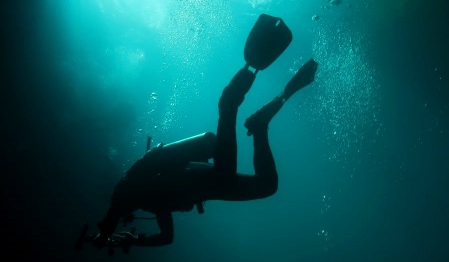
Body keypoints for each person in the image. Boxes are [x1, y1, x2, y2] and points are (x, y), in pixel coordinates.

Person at [92, 57, 319, 248]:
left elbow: (113, 213)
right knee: (267, 186)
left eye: (120, 215)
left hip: (206, 179)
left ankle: (230, 102)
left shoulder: (127, 188)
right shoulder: (150, 202)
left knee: (232, 169)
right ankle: (259, 126)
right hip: (208, 186)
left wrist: (103, 236)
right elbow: (167, 237)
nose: (124, 217)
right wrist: (134, 240)